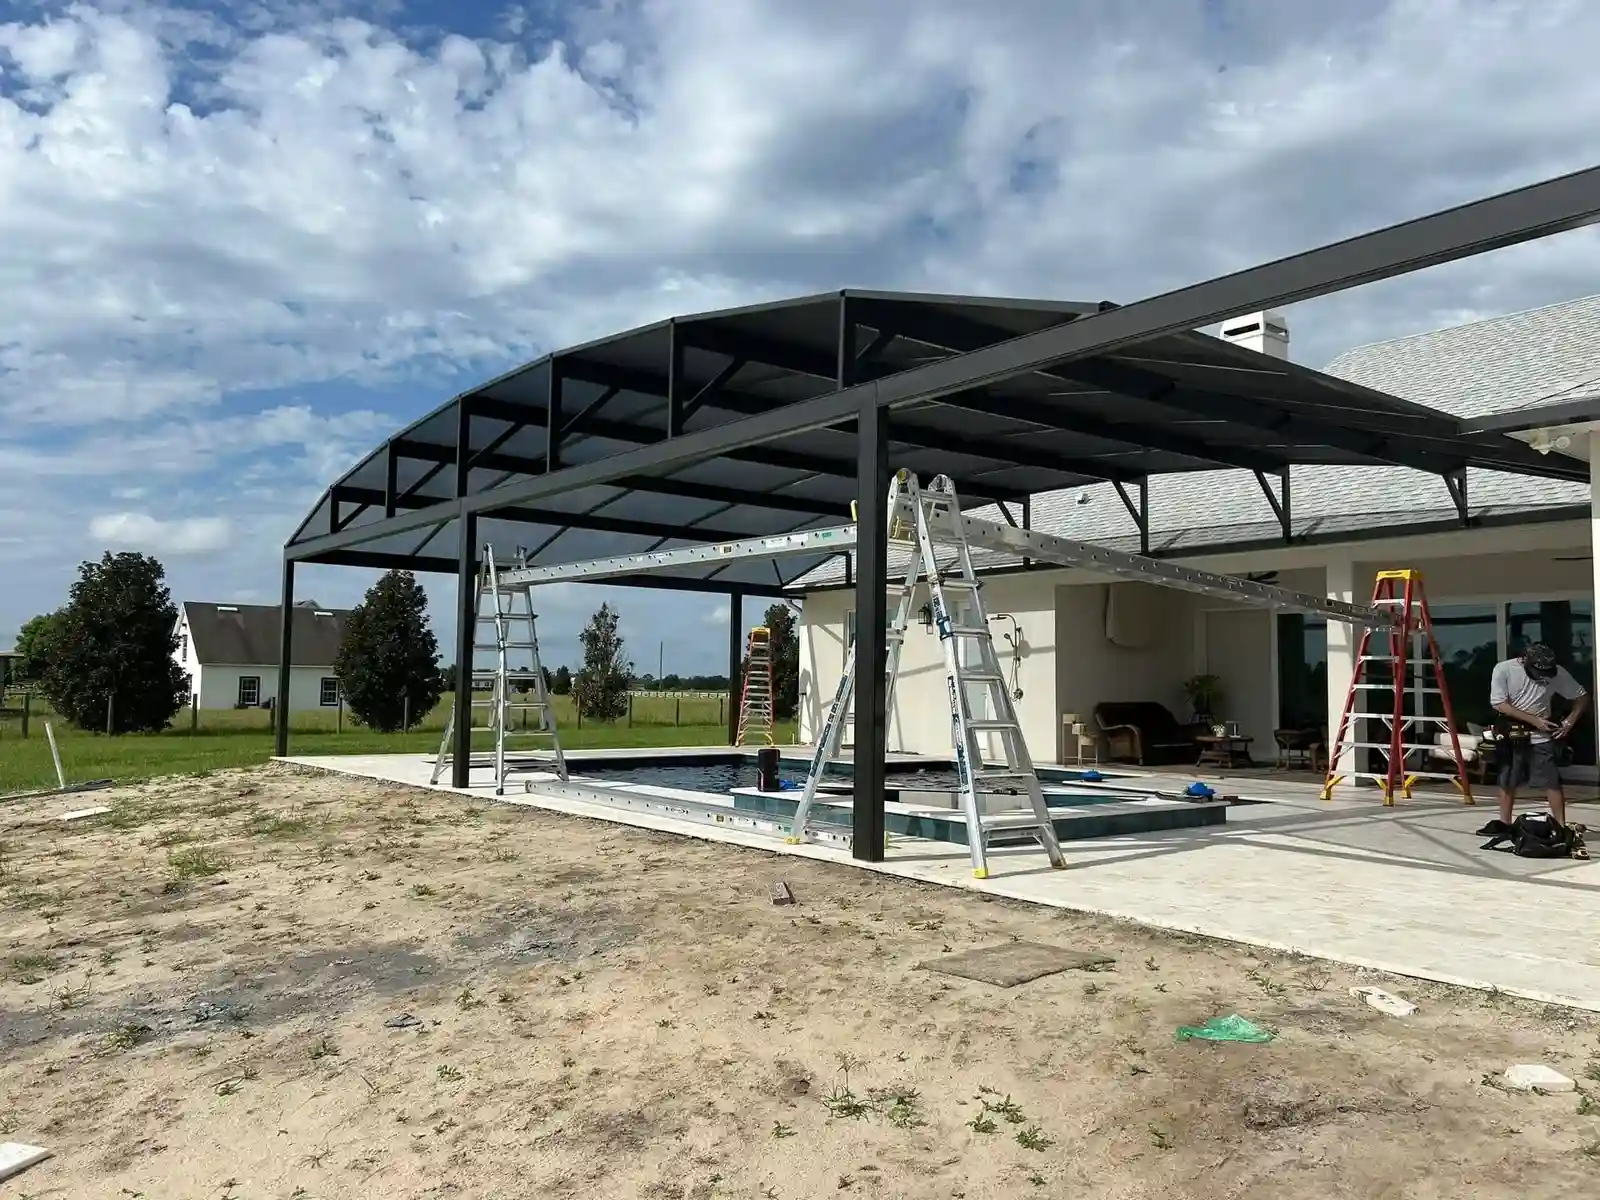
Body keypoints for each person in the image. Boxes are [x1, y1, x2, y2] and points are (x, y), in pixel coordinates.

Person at [1488, 641, 1589, 827]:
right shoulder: (1504, 669)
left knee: (1551, 780)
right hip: (1513, 730)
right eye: (1539, 673)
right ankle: (1505, 825)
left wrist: (1569, 722)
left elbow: (1581, 696)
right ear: (1525, 660)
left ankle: (1560, 825)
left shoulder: (1556, 672)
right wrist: (1534, 720)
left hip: (1541, 733)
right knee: (1508, 780)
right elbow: (1499, 704)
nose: (1542, 677)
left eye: (1546, 673)